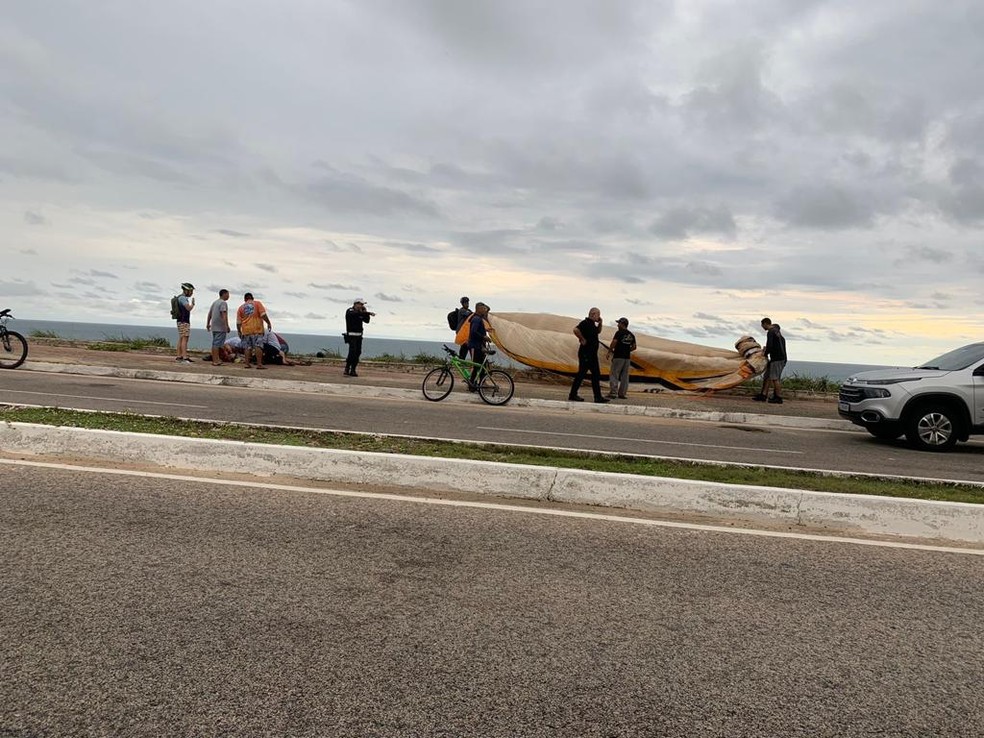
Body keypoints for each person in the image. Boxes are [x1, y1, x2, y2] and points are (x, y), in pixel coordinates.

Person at [569, 307, 609, 403]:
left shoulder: (592, 325)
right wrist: (582, 339)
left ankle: (597, 397)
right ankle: (574, 395)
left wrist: (600, 323)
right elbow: (575, 330)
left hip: (592, 354)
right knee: (582, 374)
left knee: (595, 374)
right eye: (598, 314)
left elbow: (598, 331)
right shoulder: (585, 322)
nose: (599, 316)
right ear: (593, 314)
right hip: (586, 353)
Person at [754, 317, 787, 404]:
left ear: (765, 323)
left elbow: (770, 345)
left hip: (777, 359)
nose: (762, 327)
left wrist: (764, 354)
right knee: (768, 376)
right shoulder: (777, 333)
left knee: (775, 378)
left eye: (762, 325)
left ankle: (778, 397)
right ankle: (763, 395)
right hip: (777, 358)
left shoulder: (771, 332)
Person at [236, 292, 272, 370]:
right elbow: (263, 315)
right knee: (258, 346)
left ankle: (247, 364)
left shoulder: (240, 308)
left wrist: (239, 331)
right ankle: (259, 364)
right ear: (252, 298)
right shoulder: (257, 304)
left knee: (247, 347)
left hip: (246, 330)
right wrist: (268, 323)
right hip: (257, 329)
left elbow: (238, 322)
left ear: (245, 299)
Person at [606, 317, 637, 399]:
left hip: (618, 356)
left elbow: (614, 342)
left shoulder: (619, 333)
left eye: (618, 323)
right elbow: (634, 347)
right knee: (625, 376)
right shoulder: (631, 335)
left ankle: (613, 392)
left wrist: (609, 351)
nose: (617, 325)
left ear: (622, 324)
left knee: (614, 374)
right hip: (627, 358)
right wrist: (627, 350)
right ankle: (622, 393)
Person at [344, 298, 375, 376]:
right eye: (361, 304)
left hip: (359, 336)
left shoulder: (361, 313)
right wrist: (367, 313)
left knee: (358, 352)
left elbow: (367, 321)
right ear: (356, 304)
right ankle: (347, 368)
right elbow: (353, 314)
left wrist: (365, 313)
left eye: (363, 305)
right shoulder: (350, 311)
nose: (362, 306)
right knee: (352, 352)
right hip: (351, 335)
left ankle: (353, 370)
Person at [466, 302, 491, 389]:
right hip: (474, 346)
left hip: (479, 346)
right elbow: (473, 332)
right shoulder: (476, 319)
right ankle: (471, 384)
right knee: (475, 366)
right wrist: (484, 337)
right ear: (479, 309)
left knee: (481, 366)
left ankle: (482, 382)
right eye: (484, 309)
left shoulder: (479, 319)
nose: (485, 311)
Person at [205, 289, 230, 367]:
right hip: (220, 327)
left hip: (214, 326)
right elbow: (223, 314)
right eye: (228, 294)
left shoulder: (215, 302)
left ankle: (216, 359)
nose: (228, 296)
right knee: (217, 344)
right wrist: (226, 325)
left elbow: (210, 314)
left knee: (215, 343)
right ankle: (215, 360)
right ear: (224, 294)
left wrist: (208, 323)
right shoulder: (223, 303)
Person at [174, 282, 195, 364]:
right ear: (186, 290)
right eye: (191, 291)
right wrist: (192, 304)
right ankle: (184, 357)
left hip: (180, 321)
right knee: (185, 338)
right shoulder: (183, 298)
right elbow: (188, 308)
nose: (192, 293)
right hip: (184, 321)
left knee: (181, 338)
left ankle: (179, 356)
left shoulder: (180, 298)